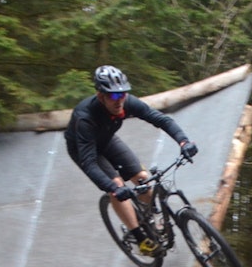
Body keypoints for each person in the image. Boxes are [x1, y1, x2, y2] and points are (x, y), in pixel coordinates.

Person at [65, 65, 199, 255]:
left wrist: (184, 141)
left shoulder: (126, 102)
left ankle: (149, 220)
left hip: (107, 139)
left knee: (142, 178)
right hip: (85, 150)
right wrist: (114, 189)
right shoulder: (85, 118)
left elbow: (161, 119)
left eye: (123, 94)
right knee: (116, 184)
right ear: (100, 95)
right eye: (113, 96)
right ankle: (140, 238)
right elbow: (89, 163)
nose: (119, 100)